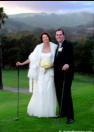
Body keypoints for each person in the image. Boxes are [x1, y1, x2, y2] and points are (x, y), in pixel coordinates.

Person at [16, 32, 57, 117]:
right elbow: (32, 58)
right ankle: (40, 111)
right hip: (40, 73)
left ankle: (49, 112)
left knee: (49, 91)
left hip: (50, 73)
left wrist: (51, 66)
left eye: (46, 37)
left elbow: (58, 59)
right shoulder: (38, 47)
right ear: (42, 39)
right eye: (43, 37)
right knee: (40, 91)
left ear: (49, 37)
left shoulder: (54, 47)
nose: (45, 38)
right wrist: (22, 63)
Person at [54, 28, 74, 124]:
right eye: (57, 35)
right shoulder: (58, 46)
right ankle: (63, 113)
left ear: (63, 35)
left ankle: (71, 117)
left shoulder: (67, 44)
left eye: (60, 34)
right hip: (57, 75)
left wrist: (67, 63)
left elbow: (70, 56)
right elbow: (57, 60)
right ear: (55, 36)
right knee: (59, 94)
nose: (59, 36)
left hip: (66, 74)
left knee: (66, 95)